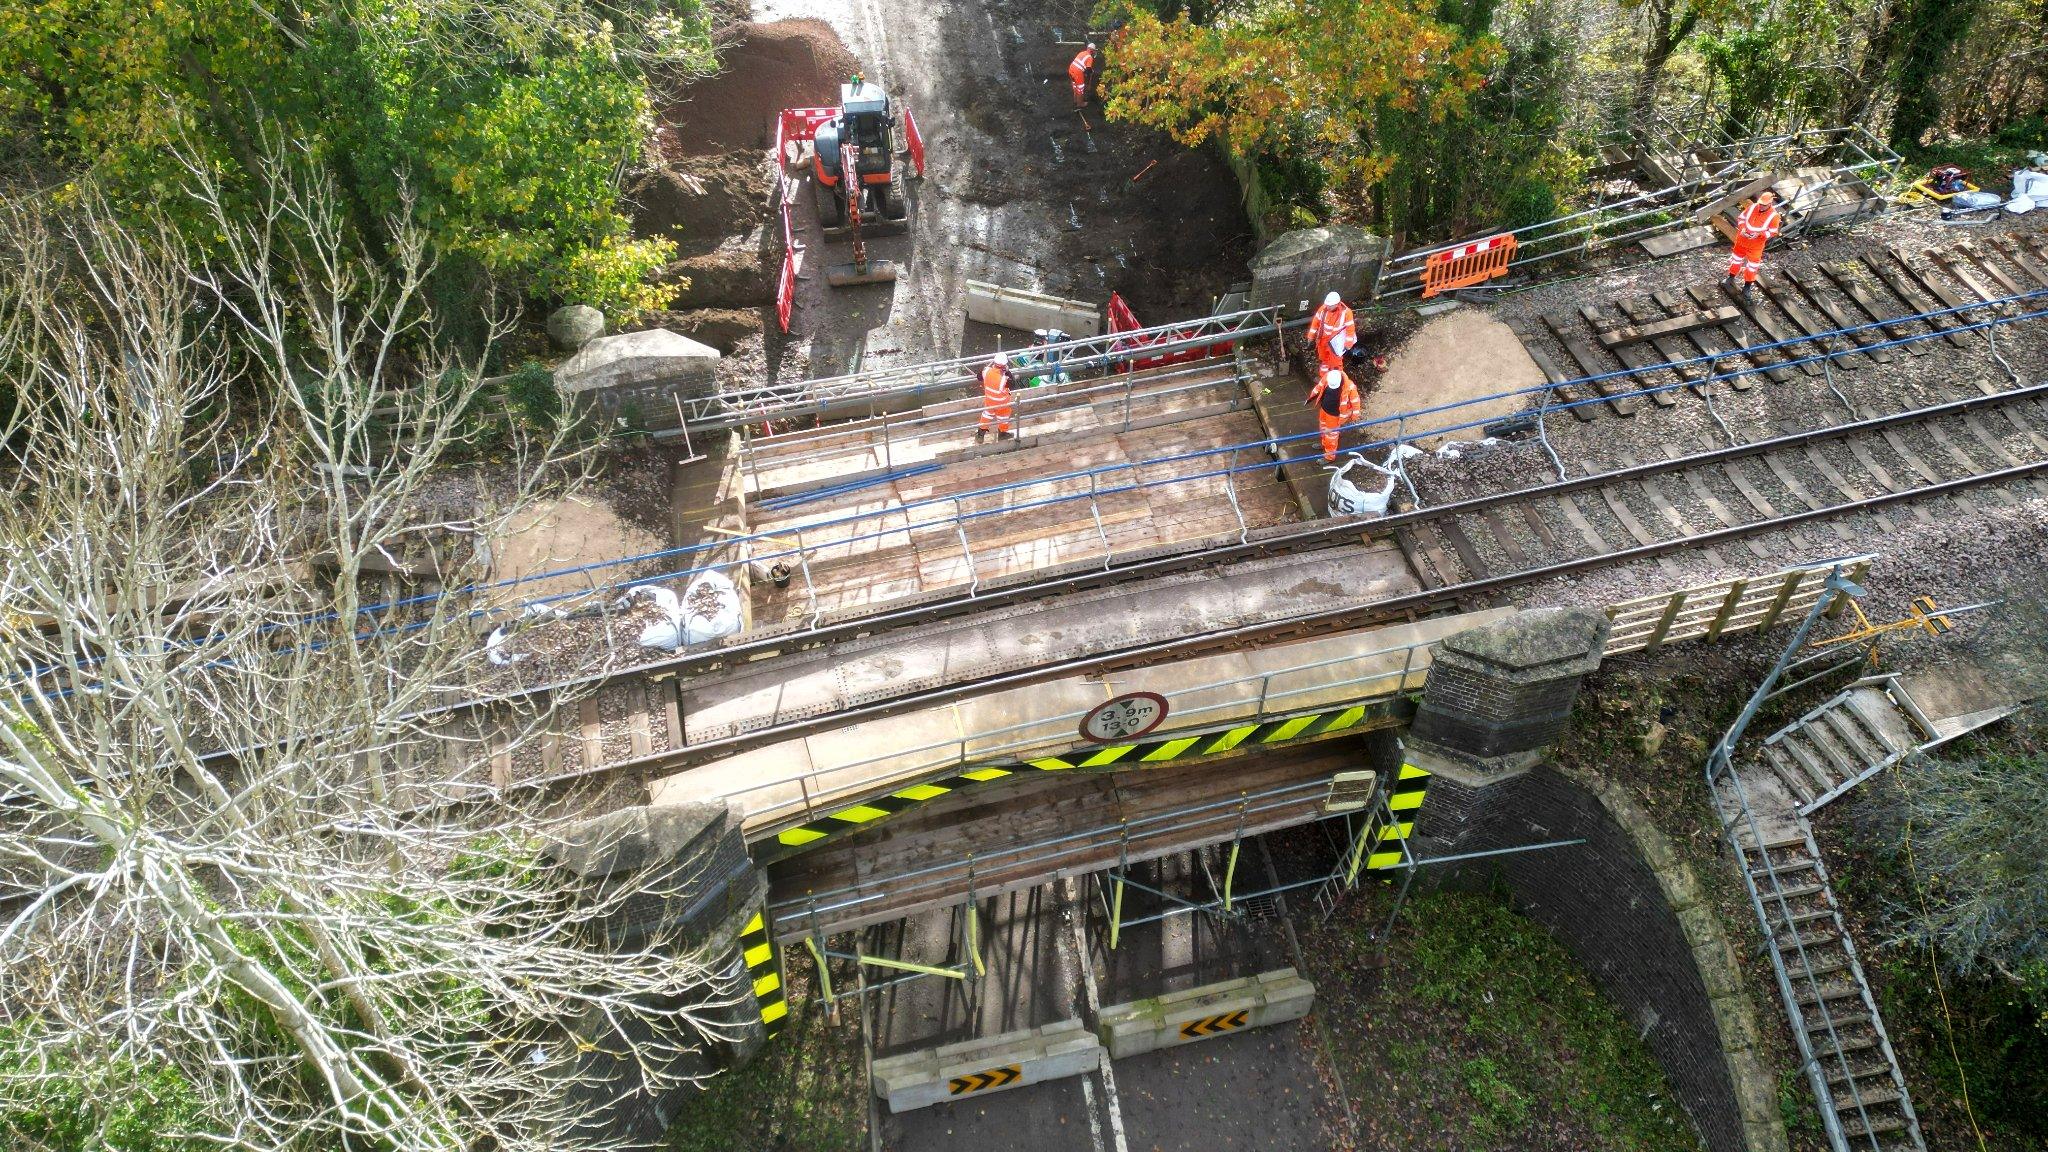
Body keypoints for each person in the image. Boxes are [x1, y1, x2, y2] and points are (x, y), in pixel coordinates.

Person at [1723, 191, 1782, 297]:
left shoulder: (1774, 216)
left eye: (1764, 205)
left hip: (1756, 246)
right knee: (1736, 259)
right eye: (1760, 204)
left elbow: (1773, 231)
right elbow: (1741, 218)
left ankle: (1747, 287)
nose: (1761, 207)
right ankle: (1730, 278)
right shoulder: (1752, 207)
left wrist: (1759, 234)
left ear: (1770, 204)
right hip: (1742, 240)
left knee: (1752, 266)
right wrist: (1742, 228)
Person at [1306, 364, 1362, 464]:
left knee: (1331, 436)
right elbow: (1319, 387)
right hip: (1324, 410)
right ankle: (1324, 444)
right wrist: (1310, 398)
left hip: (1334, 416)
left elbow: (1355, 402)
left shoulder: (1349, 387)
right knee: (1323, 428)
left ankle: (1329, 456)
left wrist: (1354, 416)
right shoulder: (1328, 377)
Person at [1305, 291, 1355, 368]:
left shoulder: (1346, 313)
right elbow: (1315, 322)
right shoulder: (1323, 309)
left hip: (1335, 343)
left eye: (1330, 306)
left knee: (1335, 362)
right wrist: (1310, 337)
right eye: (1327, 305)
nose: (1328, 307)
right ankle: (1325, 376)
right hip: (1323, 339)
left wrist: (1348, 344)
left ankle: (1336, 376)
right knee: (1323, 358)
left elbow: (1350, 329)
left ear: (1337, 304)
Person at [977, 354, 1014, 444]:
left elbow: (979, 377)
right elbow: (1013, 385)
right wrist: (1008, 373)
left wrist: (986, 368)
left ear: (994, 362)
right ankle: (1002, 434)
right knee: (1003, 418)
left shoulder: (986, 372)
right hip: (1002, 403)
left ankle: (980, 435)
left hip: (990, 401)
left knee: (986, 416)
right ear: (1005, 365)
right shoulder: (1004, 378)